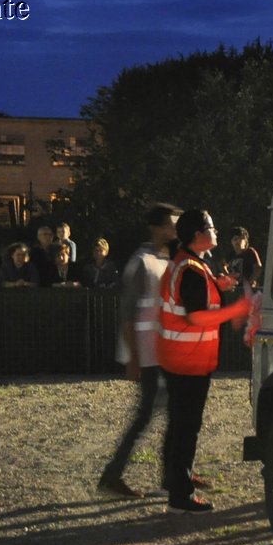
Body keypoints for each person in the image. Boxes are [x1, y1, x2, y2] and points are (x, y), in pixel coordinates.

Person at [155, 208, 250, 512]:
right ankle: (180, 495)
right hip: (189, 359)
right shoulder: (192, 268)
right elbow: (196, 317)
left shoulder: (190, 263)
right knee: (187, 425)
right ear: (198, 235)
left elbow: (193, 298)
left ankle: (175, 479)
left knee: (179, 422)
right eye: (211, 227)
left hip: (178, 356)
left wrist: (219, 286)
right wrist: (237, 310)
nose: (216, 231)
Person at [99, 204, 178, 498]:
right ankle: (115, 476)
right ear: (158, 228)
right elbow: (128, 314)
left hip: (159, 351)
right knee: (147, 415)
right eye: (171, 224)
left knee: (166, 412)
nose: (175, 229)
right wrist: (132, 358)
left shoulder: (163, 259)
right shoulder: (142, 262)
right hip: (147, 355)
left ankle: (169, 477)